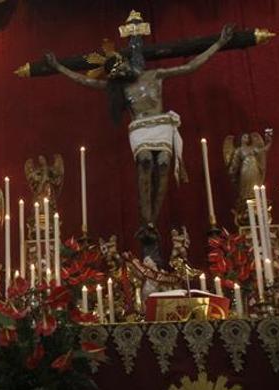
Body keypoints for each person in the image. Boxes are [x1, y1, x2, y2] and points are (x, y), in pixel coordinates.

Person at [44, 13, 234, 261]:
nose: (122, 69)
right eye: (116, 69)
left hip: (162, 124)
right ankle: (147, 219)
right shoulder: (121, 88)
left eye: (123, 63)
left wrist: (218, 44)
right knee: (145, 160)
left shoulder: (155, 76)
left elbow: (190, 66)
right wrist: (59, 67)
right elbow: (84, 81)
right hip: (140, 127)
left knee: (164, 164)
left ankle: (150, 221)